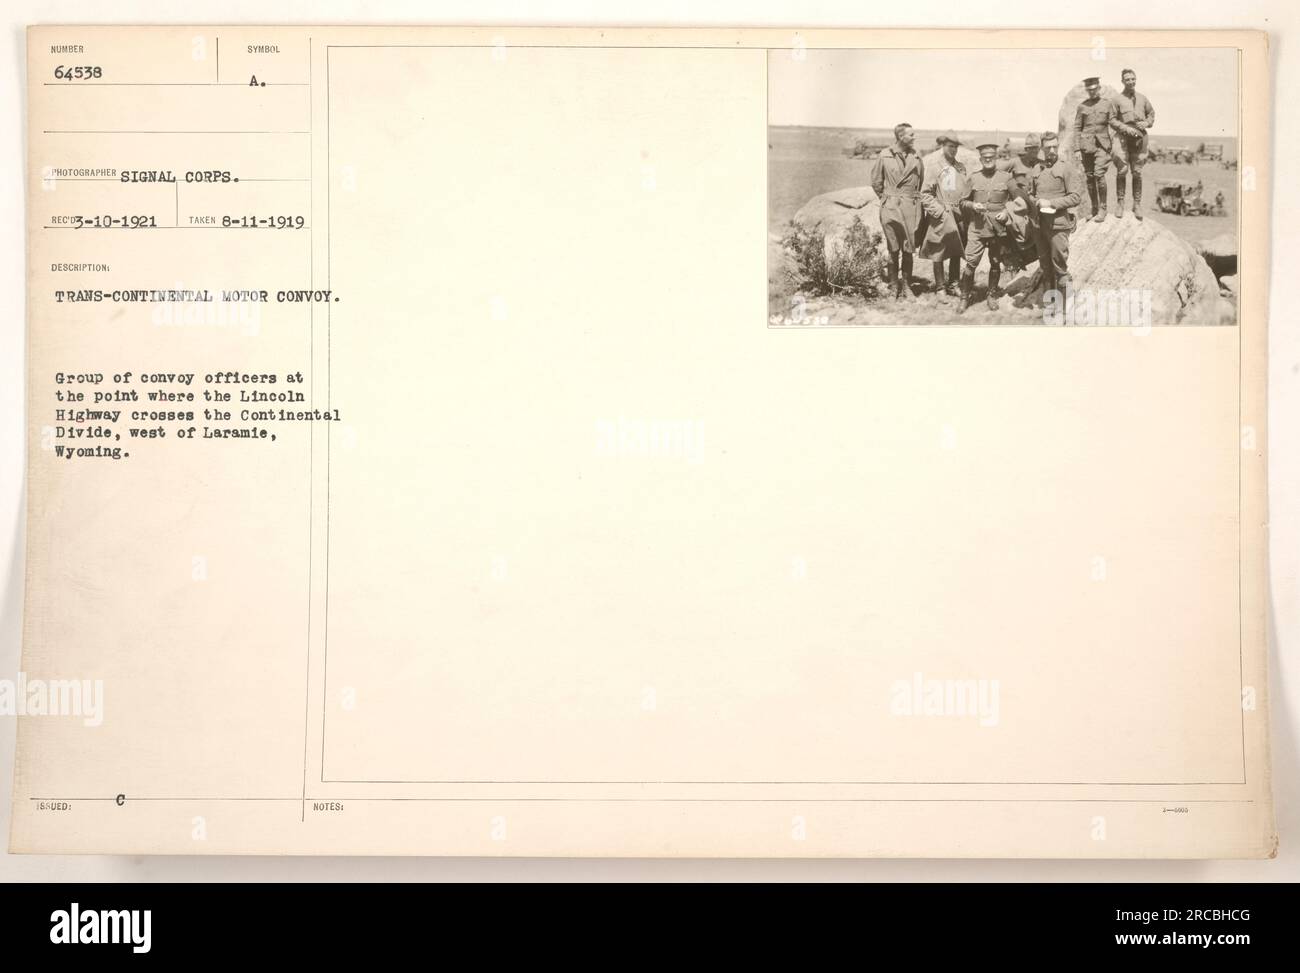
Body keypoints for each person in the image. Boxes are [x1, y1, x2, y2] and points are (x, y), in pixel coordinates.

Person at [1024, 132, 1083, 307]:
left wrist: (1051, 203)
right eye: (1048, 146)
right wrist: (1035, 202)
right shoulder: (1036, 169)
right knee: (1045, 267)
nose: (1051, 150)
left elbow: (1075, 197)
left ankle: (1064, 310)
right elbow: (1030, 194)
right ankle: (1050, 306)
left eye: (1054, 146)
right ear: (1042, 147)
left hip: (1058, 225)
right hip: (1039, 225)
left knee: (1060, 267)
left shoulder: (1066, 168)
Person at [956, 142, 1016, 314]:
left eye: (991, 157)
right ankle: (964, 297)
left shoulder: (1006, 177)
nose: (988, 160)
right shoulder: (973, 178)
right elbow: (962, 202)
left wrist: (1007, 211)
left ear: (996, 158)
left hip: (998, 229)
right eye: (985, 158)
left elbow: (1016, 200)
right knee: (971, 263)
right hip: (978, 228)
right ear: (981, 159)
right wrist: (973, 205)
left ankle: (991, 295)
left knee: (995, 262)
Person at [871, 122, 925, 299]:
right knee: (893, 248)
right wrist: (887, 199)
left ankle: (907, 287)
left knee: (908, 248)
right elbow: (876, 182)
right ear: (901, 136)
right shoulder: (884, 155)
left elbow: (920, 181)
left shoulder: (916, 156)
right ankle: (894, 286)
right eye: (911, 134)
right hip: (891, 207)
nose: (914, 137)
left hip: (910, 207)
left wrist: (908, 198)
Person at [919, 131, 969, 300]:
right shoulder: (935, 167)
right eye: (950, 146)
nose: (953, 150)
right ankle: (940, 287)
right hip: (941, 215)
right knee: (938, 251)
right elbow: (925, 194)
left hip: (958, 215)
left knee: (957, 249)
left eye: (955, 147)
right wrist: (939, 212)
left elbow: (966, 190)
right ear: (943, 146)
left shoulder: (961, 167)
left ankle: (954, 284)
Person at [1110, 68, 1155, 220]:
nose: (1130, 82)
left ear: (1136, 80)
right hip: (1123, 137)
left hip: (1140, 137)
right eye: (1127, 79)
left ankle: (1137, 204)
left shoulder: (1142, 98)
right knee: (1122, 170)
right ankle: (1120, 203)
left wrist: (1146, 123)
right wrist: (1125, 128)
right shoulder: (1117, 99)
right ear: (1122, 81)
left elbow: (1151, 114)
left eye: (1133, 79)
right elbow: (1112, 119)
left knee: (1137, 172)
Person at [1073, 76, 1118, 221]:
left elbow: (1114, 123)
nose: (1092, 92)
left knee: (1099, 175)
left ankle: (1103, 209)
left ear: (1099, 88)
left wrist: (1116, 143)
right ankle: (1093, 208)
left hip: (1102, 146)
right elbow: (1077, 128)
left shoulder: (1107, 104)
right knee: (1090, 177)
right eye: (1089, 90)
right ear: (1087, 90)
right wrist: (1077, 149)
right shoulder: (1082, 106)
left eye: (1094, 89)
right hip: (1087, 147)